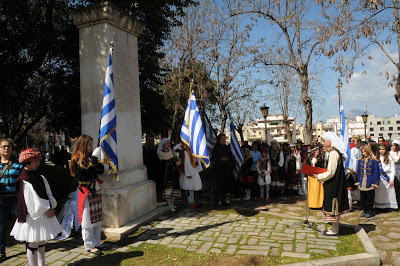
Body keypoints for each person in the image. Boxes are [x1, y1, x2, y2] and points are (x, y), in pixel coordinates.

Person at [10, 148, 62, 266]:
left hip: (43, 212)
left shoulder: (40, 177)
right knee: (33, 243)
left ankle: (42, 264)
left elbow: (48, 193)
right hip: (32, 215)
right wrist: (47, 209)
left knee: (41, 241)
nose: (39, 163)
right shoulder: (23, 180)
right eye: (36, 161)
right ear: (28, 161)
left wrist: (51, 206)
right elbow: (31, 201)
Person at [70, 135, 104, 255]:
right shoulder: (76, 159)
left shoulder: (89, 159)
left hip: (95, 189)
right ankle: (89, 244)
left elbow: (100, 169)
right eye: (89, 144)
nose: (91, 147)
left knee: (97, 216)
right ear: (83, 145)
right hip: (85, 191)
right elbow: (85, 174)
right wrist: (94, 161)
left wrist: (95, 163)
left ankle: (97, 241)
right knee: (87, 219)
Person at [313, 132, 350, 236]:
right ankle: (335, 227)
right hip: (335, 183)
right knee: (333, 205)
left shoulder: (334, 153)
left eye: (325, 141)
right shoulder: (334, 152)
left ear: (331, 142)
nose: (323, 143)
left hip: (334, 184)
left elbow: (331, 172)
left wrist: (319, 177)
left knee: (333, 206)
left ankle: (335, 230)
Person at [0, 139, 23, 262]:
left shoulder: (18, 164)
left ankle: (30, 246)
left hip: (15, 199)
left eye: (8, 146)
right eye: (3, 146)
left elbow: (23, 181)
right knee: (1, 227)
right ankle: (1, 252)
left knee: (22, 221)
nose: (6, 148)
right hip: (1, 200)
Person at [157, 138, 181, 212]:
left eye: (169, 143)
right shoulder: (160, 153)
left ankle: (172, 204)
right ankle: (170, 207)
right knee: (168, 190)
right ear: (163, 144)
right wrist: (174, 149)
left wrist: (177, 160)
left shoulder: (171, 152)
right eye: (167, 143)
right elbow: (167, 156)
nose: (168, 145)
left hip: (173, 173)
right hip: (165, 174)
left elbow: (177, 163)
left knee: (174, 189)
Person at [356, 144, 380, 218]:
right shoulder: (360, 161)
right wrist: (358, 182)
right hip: (362, 181)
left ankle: (369, 210)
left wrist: (374, 183)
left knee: (369, 197)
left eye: (364, 152)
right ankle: (364, 210)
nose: (363, 153)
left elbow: (376, 173)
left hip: (370, 181)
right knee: (363, 197)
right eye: (362, 152)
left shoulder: (374, 161)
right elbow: (359, 171)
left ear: (368, 151)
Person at [210, 133, 234, 207]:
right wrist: (221, 159)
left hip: (226, 170)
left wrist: (228, 160)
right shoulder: (215, 148)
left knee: (225, 187)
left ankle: (224, 201)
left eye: (225, 139)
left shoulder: (227, 148)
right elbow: (213, 159)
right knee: (218, 187)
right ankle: (216, 202)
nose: (224, 140)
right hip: (218, 170)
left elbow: (231, 157)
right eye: (222, 139)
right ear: (219, 140)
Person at [178, 142, 202, 208]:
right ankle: (189, 201)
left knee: (192, 187)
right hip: (188, 170)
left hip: (193, 169)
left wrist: (198, 167)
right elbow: (186, 162)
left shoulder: (193, 150)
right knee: (188, 187)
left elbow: (197, 159)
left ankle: (192, 200)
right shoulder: (186, 151)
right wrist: (188, 173)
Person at [374, 145, 398, 209]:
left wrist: (392, 179)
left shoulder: (390, 157)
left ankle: (389, 206)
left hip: (388, 176)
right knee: (380, 193)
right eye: (380, 149)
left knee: (389, 192)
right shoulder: (376, 158)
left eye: (383, 149)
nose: (382, 151)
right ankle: (380, 206)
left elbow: (393, 169)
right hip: (380, 177)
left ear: (386, 150)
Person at [348, 136, 362, 210]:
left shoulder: (362, 149)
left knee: (360, 186)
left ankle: (361, 201)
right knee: (354, 186)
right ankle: (355, 200)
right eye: (355, 142)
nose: (356, 143)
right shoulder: (352, 150)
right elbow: (350, 159)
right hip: (353, 169)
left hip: (361, 169)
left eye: (357, 141)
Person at [389, 139, 400, 211]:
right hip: (391, 173)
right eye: (393, 146)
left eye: (396, 146)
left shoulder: (399, 153)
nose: (395, 147)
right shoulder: (389, 154)